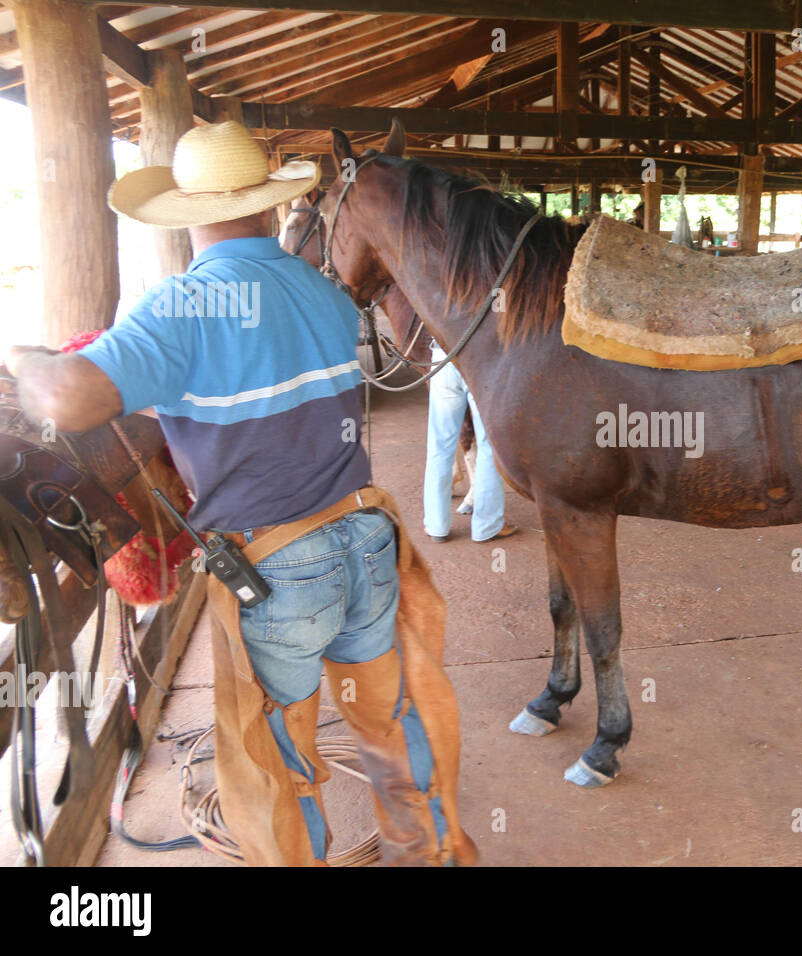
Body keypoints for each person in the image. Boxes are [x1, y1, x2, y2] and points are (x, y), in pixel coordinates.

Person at [3, 122, 475, 867]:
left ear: (186, 213)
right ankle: (432, 850)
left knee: (276, 753)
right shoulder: (320, 291)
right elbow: (270, 381)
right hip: (364, 539)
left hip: (277, 569)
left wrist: (25, 361)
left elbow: (68, 398)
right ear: (264, 204)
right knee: (387, 716)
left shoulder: (183, 306)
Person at [424, 344, 516, 543]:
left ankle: (436, 525)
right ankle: (487, 525)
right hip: (482, 356)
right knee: (488, 443)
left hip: (442, 356)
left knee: (439, 444)